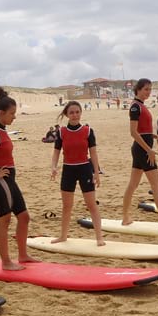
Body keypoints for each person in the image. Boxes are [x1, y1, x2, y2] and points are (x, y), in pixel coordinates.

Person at [0, 87, 39, 271]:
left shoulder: (2, 130)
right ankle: (6, 262)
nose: (14, 117)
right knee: (4, 220)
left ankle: (22, 255)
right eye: (12, 113)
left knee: (24, 217)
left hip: (9, 180)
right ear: (1, 113)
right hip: (0, 181)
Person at [121, 78, 158, 229]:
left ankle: (125, 217)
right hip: (143, 150)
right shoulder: (135, 107)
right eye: (146, 89)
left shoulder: (141, 106)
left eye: (150, 89)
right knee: (156, 185)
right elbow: (133, 132)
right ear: (138, 90)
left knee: (133, 184)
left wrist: (152, 136)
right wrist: (149, 149)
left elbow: (142, 130)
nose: (148, 92)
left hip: (142, 148)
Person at [50, 101, 105, 246]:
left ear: (81, 113)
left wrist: (96, 172)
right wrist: (53, 167)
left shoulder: (88, 131)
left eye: (77, 112)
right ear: (67, 115)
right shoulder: (61, 132)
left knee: (91, 204)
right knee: (67, 205)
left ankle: (99, 237)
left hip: (84, 169)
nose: (75, 115)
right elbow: (56, 152)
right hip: (68, 170)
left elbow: (93, 153)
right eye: (71, 113)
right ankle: (63, 236)